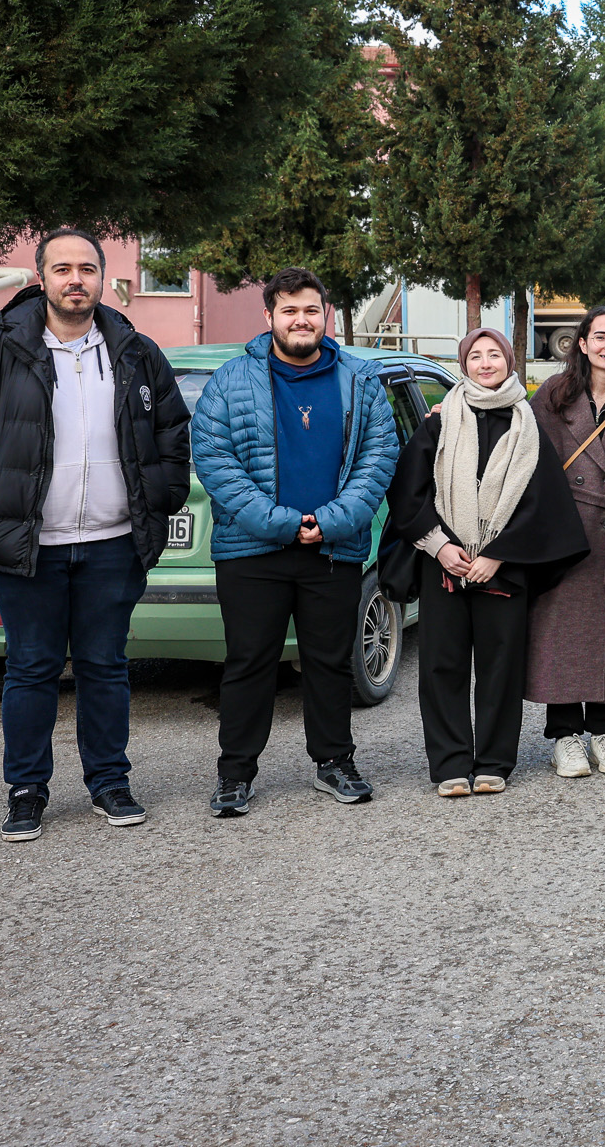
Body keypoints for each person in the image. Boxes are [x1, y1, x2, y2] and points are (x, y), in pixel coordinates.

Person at [0, 227, 191, 842]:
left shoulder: (135, 350)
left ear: (102, 278)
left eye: (86, 269)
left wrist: (159, 497)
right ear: (41, 277)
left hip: (113, 544)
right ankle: (26, 790)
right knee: (30, 667)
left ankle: (109, 782)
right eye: (62, 269)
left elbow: (173, 435)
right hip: (29, 546)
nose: (75, 280)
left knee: (105, 666)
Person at [191, 267, 401, 819]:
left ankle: (334, 762)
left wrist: (329, 521)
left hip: (333, 547)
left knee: (330, 663)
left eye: (310, 310)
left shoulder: (360, 379)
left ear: (325, 314)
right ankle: (235, 774)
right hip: (251, 550)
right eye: (289, 310)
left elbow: (379, 458)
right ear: (269, 317)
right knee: (248, 663)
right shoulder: (230, 382)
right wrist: (284, 523)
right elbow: (215, 462)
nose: (300, 320)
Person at [389, 329, 588, 796]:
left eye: (493, 354)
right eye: (474, 356)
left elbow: (542, 503)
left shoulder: (528, 424)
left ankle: (495, 761)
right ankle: (451, 765)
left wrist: (498, 554)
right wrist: (439, 546)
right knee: (442, 667)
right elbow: (408, 491)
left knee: (501, 668)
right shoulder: (439, 422)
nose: (484, 363)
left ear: (509, 360)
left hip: (505, 567)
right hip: (443, 562)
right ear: (463, 364)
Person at [529, 307, 605, 779]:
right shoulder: (553, 395)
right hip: (565, 531)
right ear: (581, 343)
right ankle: (564, 736)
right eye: (600, 336)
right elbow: (527, 455)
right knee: (558, 635)